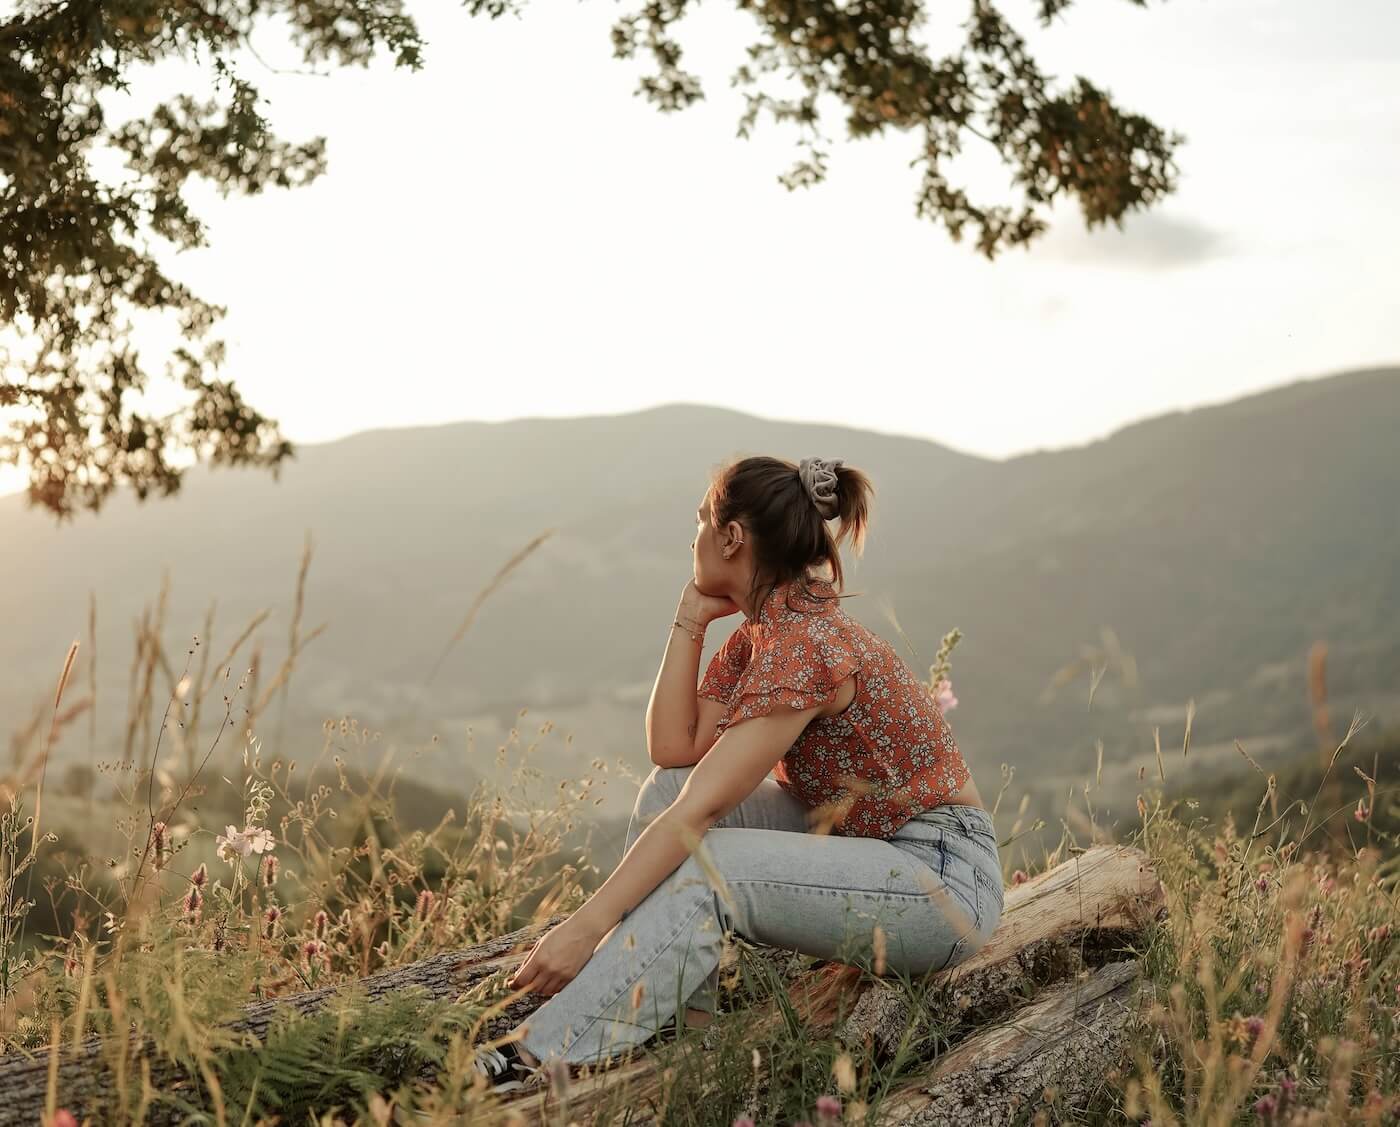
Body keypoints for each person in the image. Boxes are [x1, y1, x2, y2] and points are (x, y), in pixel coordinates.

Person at [472, 455, 1003, 1092]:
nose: (692, 535)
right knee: (667, 792)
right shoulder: (764, 634)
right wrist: (690, 619)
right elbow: (674, 750)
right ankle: (679, 1026)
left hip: (942, 879)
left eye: (700, 519)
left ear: (731, 537)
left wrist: (585, 927)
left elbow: (699, 816)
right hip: (862, 841)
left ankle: (534, 1060)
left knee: (710, 863)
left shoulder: (805, 643)